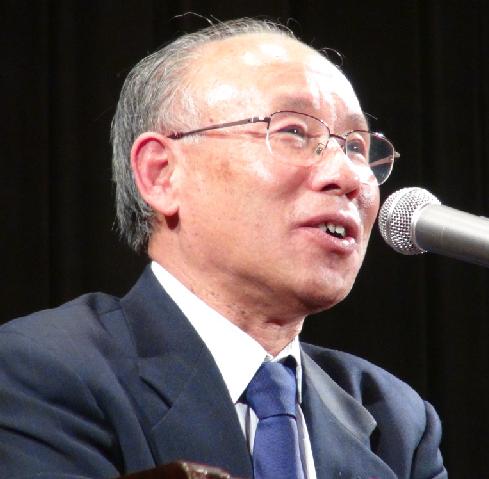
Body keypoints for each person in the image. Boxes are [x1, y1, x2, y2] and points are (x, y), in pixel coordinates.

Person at [0, 18, 447, 479]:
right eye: (294, 132)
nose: (350, 176)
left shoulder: (398, 424)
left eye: (356, 147)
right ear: (161, 174)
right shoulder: (44, 373)